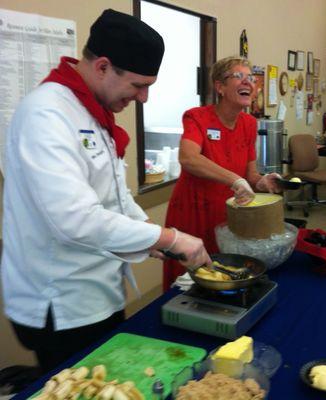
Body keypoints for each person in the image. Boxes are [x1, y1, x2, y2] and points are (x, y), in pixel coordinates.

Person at [1, 9, 211, 373]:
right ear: (102, 67)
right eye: (138, 85)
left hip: (99, 287)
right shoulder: (46, 114)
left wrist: (148, 231)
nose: (143, 98)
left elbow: (112, 193)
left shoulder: (92, 111)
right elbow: (74, 218)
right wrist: (170, 237)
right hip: (60, 302)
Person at [163, 56, 281, 290]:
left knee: (224, 275)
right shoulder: (197, 117)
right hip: (193, 212)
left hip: (228, 216)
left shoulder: (249, 124)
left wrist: (263, 182)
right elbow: (188, 158)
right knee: (189, 280)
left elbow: (251, 176)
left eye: (251, 78)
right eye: (239, 76)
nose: (247, 82)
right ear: (220, 87)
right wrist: (234, 179)